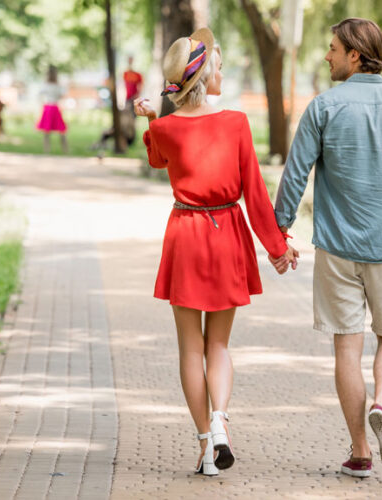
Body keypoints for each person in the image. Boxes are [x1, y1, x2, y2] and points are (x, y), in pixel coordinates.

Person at [271, 18, 382, 478]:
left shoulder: (323, 107)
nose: (326, 56)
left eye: (333, 48)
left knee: (347, 348)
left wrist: (279, 232)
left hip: (337, 248)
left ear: (354, 54)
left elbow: (296, 173)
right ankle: (381, 404)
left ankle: (361, 450)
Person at [133, 28, 299, 476]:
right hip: (226, 232)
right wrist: (277, 247)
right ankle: (221, 420)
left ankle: (206, 445)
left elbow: (159, 159)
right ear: (205, 75)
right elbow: (255, 193)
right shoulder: (236, 123)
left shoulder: (165, 128)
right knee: (218, 345)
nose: (222, 73)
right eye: (219, 67)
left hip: (185, 234)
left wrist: (153, 119)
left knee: (190, 349)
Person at [36, 65, 68, 154]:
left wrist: (42, 103)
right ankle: (65, 150)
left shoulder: (46, 85)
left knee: (47, 131)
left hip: (48, 108)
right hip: (54, 107)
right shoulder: (57, 86)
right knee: (61, 130)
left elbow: (39, 94)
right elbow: (62, 95)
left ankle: (47, 150)